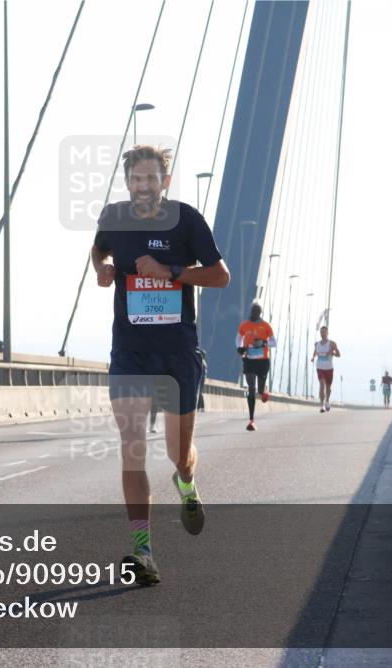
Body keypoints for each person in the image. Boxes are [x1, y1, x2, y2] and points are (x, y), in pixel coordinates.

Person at [92, 145, 229, 586]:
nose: (143, 186)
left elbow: (220, 275)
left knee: (176, 454)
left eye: (151, 179)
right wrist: (105, 267)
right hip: (130, 350)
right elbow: (97, 250)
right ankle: (143, 552)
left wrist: (172, 271)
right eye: (136, 179)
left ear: (164, 183)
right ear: (127, 182)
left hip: (176, 353)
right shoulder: (113, 217)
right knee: (133, 447)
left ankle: (186, 482)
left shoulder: (186, 220)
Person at [235, 303, 276, 431]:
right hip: (249, 360)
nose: (253, 314)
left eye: (256, 312)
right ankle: (251, 420)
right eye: (252, 311)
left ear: (260, 313)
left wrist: (263, 342)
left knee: (260, 391)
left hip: (263, 361)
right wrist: (240, 348)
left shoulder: (266, 326)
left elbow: (274, 342)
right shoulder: (244, 325)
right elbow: (238, 338)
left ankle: (264, 391)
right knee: (251, 387)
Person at [310, 326, 341, 413]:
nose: (322, 334)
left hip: (329, 368)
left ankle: (327, 401)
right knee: (321, 385)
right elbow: (315, 351)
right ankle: (322, 405)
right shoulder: (317, 344)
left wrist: (333, 353)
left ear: (327, 333)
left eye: (324, 332)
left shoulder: (332, 344)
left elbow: (339, 355)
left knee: (328, 387)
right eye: (321, 332)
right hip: (320, 367)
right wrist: (313, 357)